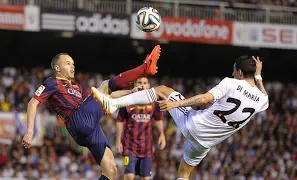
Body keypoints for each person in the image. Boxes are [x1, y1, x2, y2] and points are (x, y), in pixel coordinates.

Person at [91, 56, 269, 179]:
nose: (232, 74)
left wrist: (176, 104)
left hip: (194, 124)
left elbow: (204, 99)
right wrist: (258, 76)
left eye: (233, 71)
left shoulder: (231, 83)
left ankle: (115, 103)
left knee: (162, 90)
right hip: (206, 143)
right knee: (184, 172)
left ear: (239, 72)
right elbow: (263, 94)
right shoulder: (262, 100)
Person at [21, 45, 161, 180]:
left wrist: (130, 92)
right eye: (68, 63)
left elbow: (106, 96)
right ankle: (144, 68)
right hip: (77, 121)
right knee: (105, 85)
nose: (72, 66)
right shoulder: (52, 82)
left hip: (90, 128)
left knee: (111, 171)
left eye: (73, 63)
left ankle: (124, 95)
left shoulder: (77, 87)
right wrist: (30, 131)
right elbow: (32, 103)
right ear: (57, 68)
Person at [115, 76, 166, 180]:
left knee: (146, 178)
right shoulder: (127, 101)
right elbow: (120, 121)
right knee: (129, 176)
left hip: (146, 149)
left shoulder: (154, 102)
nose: (142, 85)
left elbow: (158, 119)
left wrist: (162, 135)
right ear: (135, 85)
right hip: (129, 147)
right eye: (139, 82)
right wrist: (118, 141)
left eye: (145, 83)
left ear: (149, 85)